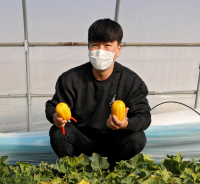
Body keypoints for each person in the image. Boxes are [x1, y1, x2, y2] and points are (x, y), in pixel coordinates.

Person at [45, 18, 151, 169]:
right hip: (82, 138)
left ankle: (111, 169)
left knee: (137, 138)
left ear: (118, 49)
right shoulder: (70, 79)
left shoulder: (131, 81)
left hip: (114, 140)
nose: (101, 51)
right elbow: (53, 106)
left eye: (108, 45)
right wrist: (55, 117)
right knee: (57, 132)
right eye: (95, 45)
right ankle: (70, 170)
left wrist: (126, 124)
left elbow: (144, 117)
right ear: (88, 47)